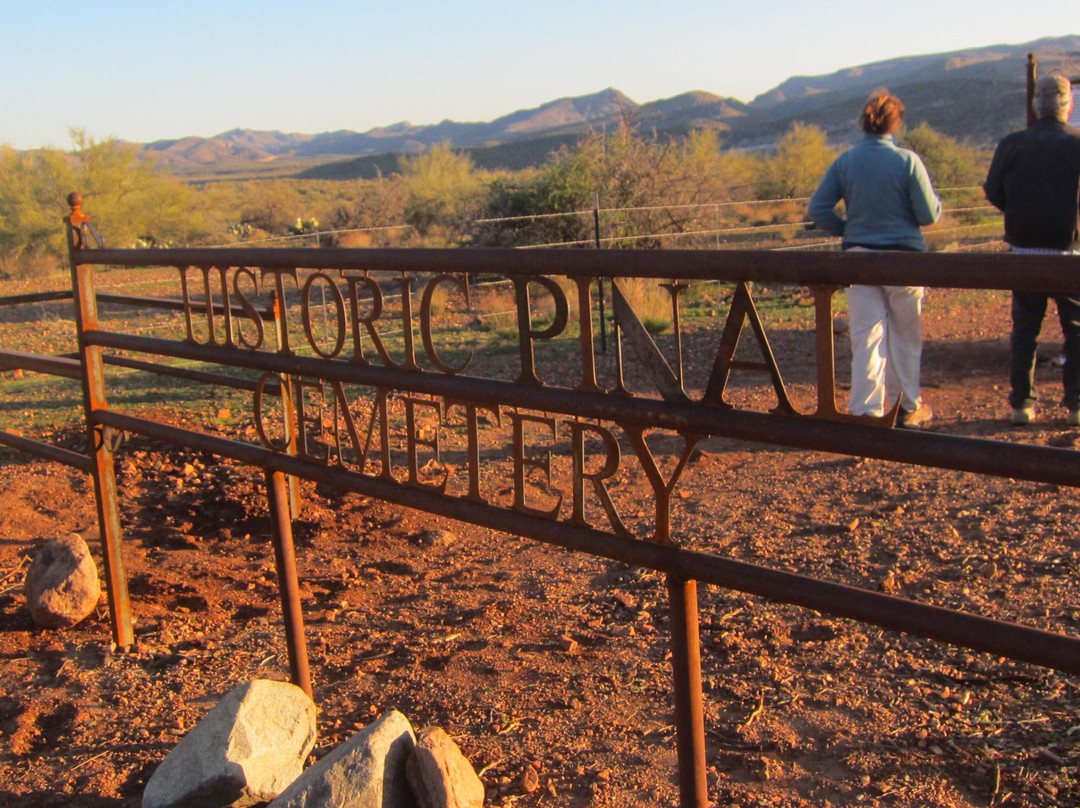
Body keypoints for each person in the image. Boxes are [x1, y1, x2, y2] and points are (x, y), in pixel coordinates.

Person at [809, 88, 942, 428]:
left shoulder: (845, 162)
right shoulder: (907, 161)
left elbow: (818, 208)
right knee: (905, 336)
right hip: (904, 260)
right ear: (895, 124)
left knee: (866, 337)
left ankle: (865, 411)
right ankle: (906, 407)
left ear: (864, 124)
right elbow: (928, 215)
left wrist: (848, 230)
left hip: (859, 260)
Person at [983, 74, 1080, 426]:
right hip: (1071, 256)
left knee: (1025, 331)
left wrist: (1020, 213)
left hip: (1025, 255)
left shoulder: (1012, 144)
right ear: (1068, 105)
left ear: (1036, 106)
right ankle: (1076, 406)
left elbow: (994, 192)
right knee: (1076, 331)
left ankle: (1022, 404)